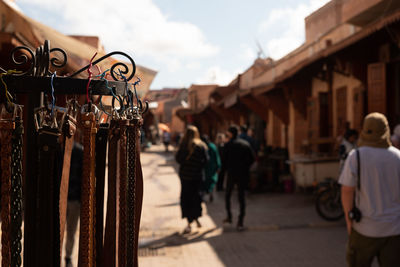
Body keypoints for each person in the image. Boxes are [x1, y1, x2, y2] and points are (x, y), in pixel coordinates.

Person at [339, 113, 400, 267]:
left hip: (364, 229)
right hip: (394, 230)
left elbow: (347, 190)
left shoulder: (356, 156)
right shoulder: (397, 157)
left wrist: (348, 220)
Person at [175, 125, 209, 234]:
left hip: (185, 177)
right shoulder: (201, 146)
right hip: (197, 176)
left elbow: (178, 159)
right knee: (197, 197)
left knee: (186, 198)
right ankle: (196, 218)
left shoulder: (183, 146)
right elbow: (206, 161)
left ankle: (189, 222)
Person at [223, 125, 255, 231]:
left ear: (231, 134)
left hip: (232, 174)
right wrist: (245, 167)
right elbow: (252, 159)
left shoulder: (228, 145)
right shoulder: (245, 144)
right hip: (243, 174)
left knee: (228, 196)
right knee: (241, 197)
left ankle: (229, 216)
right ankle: (240, 221)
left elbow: (223, 160)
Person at [64, 141, 84, 267]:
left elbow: (83, 176)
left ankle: (68, 257)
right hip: (62, 199)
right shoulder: (58, 150)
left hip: (74, 199)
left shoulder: (79, 151)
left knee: (71, 230)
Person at [201, 134, 221, 202]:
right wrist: (218, 166)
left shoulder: (203, 147)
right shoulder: (212, 146)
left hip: (206, 168)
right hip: (212, 168)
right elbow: (217, 157)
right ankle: (210, 194)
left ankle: (204, 195)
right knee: (211, 182)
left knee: (205, 182)